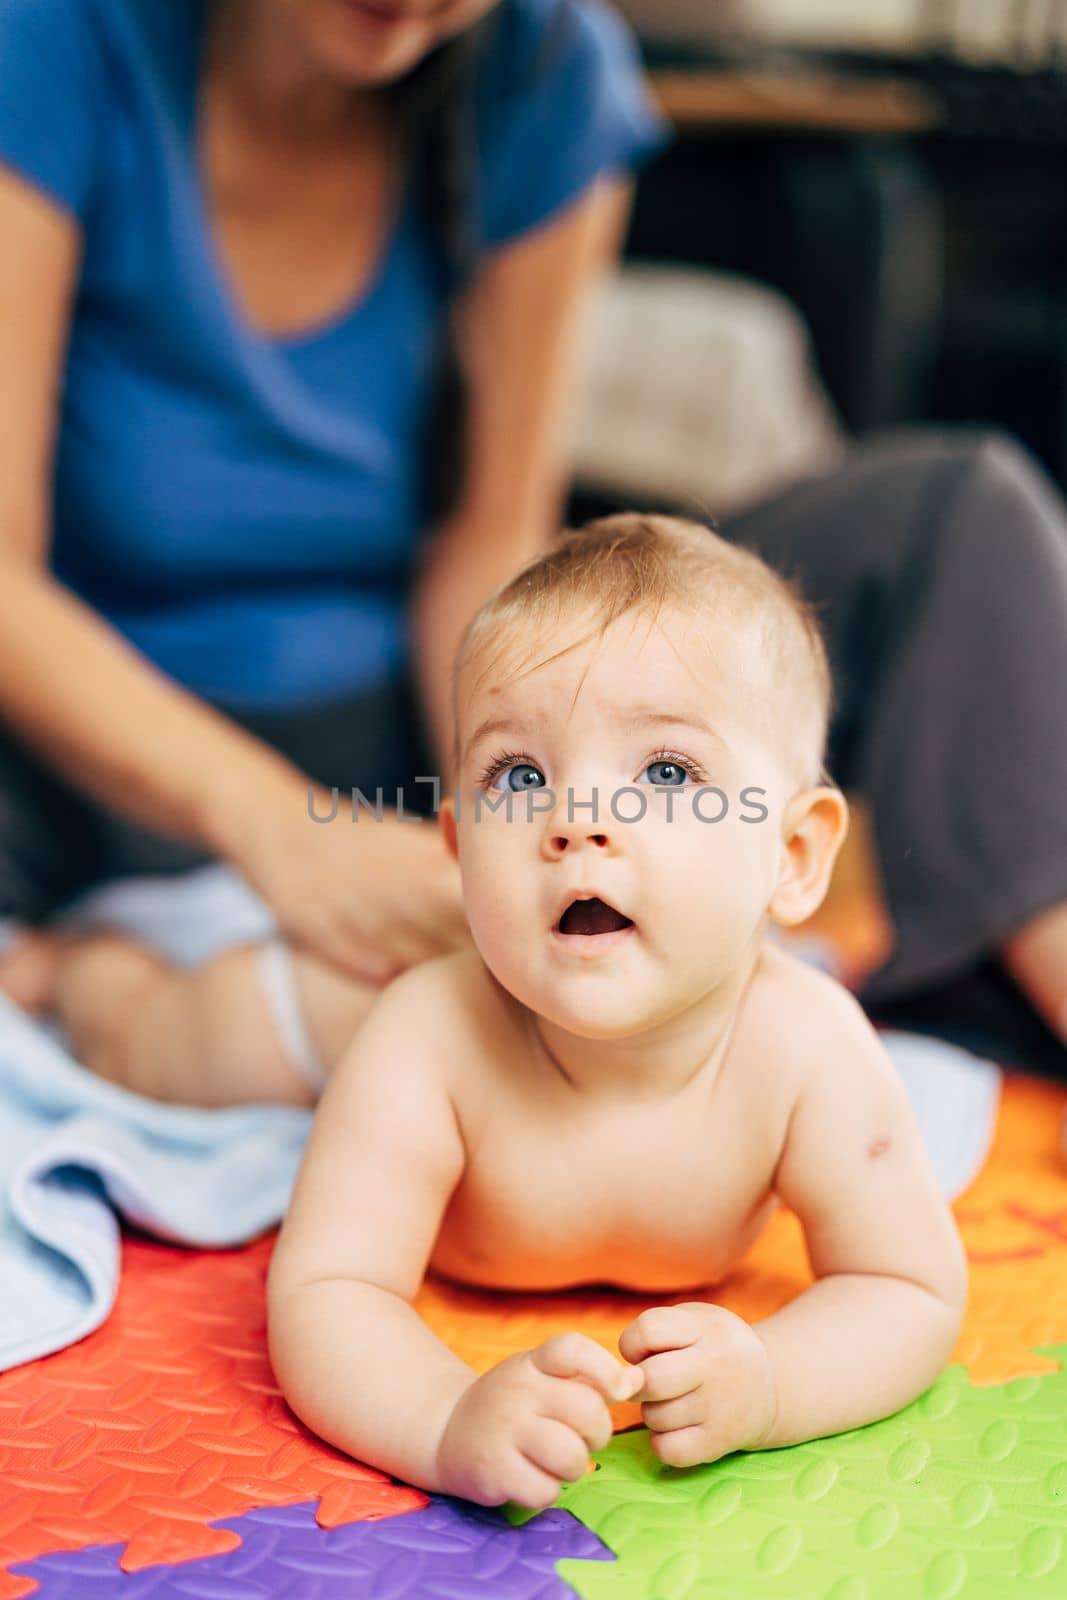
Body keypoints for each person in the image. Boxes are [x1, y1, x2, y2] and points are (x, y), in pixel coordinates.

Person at [265, 513, 967, 1508]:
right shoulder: (423, 1040)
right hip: (333, 987)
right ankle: (74, 971)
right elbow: (325, 1291)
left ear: (793, 856)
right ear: (460, 852)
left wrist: (770, 1381)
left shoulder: (806, 1049)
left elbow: (909, 1289)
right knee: (191, 1032)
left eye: (666, 772)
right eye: (519, 775)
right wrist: (440, 1417)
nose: (577, 821)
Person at [0, 0, 668, 1013]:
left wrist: (520, 831)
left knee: (954, 513)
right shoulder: (53, 37)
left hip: (380, 748)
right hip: (75, 769)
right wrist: (285, 831)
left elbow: (492, 540)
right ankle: (79, 979)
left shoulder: (545, 67)